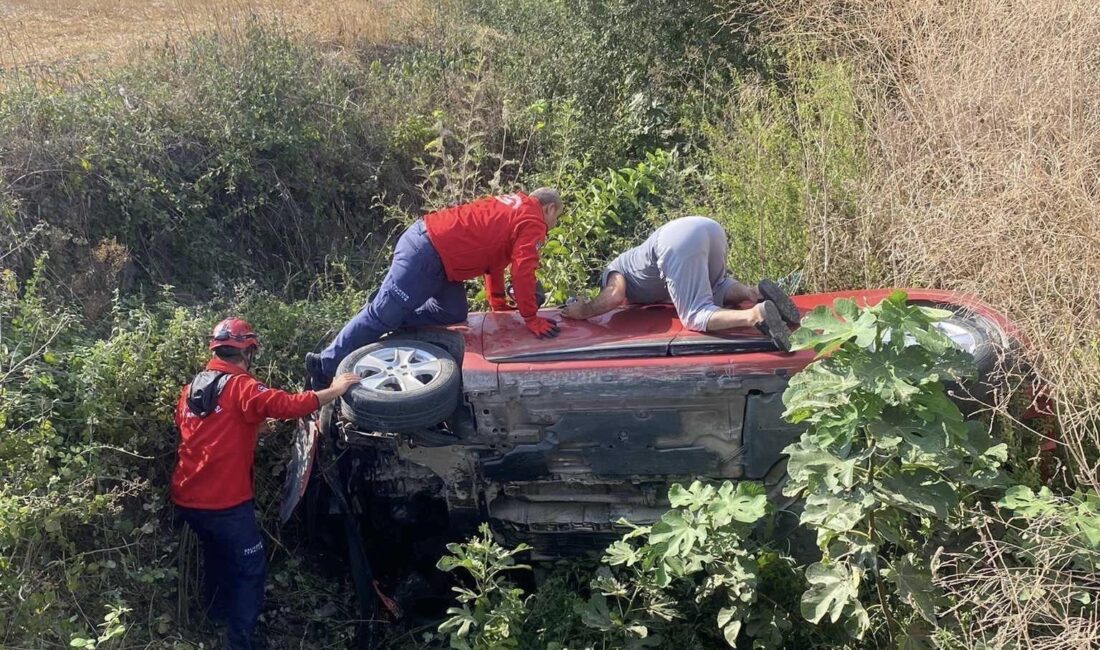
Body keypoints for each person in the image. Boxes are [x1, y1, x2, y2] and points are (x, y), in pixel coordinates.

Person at [171, 317, 361, 650]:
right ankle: (240, 641)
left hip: (188, 498)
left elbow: (205, 432)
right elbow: (288, 405)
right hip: (225, 504)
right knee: (251, 567)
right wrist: (336, 389)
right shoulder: (241, 387)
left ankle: (216, 613)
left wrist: (253, 429)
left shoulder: (190, 390)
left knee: (216, 556)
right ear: (247, 352)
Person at [306, 189, 564, 388]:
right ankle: (322, 366)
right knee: (382, 315)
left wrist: (498, 303)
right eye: (557, 217)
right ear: (549, 208)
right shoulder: (533, 219)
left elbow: (496, 263)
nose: (554, 224)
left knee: (452, 312)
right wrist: (530, 318)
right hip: (428, 251)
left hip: (441, 257)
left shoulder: (516, 208)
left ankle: (390, 314)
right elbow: (522, 270)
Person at [560, 216, 799, 350]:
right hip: (708, 226)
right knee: (717, 287)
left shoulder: (615, 269)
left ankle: (755, 315)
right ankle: (755, 292)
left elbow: (613, 295)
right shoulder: (638, 264)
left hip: (675, 240)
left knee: (696, 315)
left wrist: (584, 310)